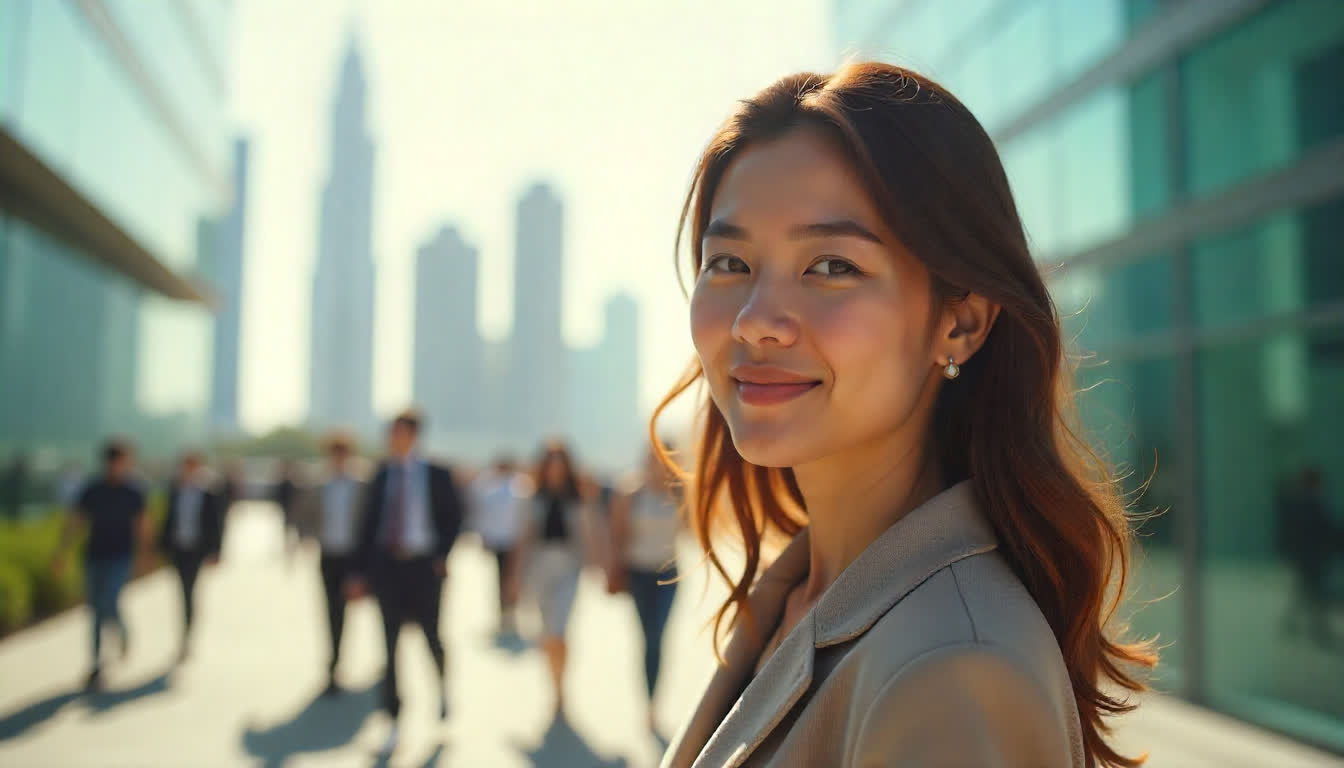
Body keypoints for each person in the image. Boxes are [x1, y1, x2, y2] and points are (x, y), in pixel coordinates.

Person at [656, 62, 1155, 768]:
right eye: (729, 262)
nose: (755, 321)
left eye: (832, 266)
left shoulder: (955, 676)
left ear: (961, 323)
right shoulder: (799, 594)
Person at [347, 410, 464, 756]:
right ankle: (394, 718)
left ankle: (441, 687)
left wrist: (444, 553)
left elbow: (454, 516)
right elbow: (366, 526)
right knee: (389, 643)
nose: (394, 439)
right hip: (388, 568)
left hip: (425, 568)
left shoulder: (437, 474)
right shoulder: (380, 475)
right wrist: (358, 573)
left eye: (400, 433)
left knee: (432, 636)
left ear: (414, 435)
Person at [506, 441, 602, 719]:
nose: (556, 470)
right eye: (551, 463)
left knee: (558, 631)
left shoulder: (578, 496)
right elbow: (522, 539)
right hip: (538, 570)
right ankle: (555, 685)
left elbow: (591, 531)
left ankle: (561, 688)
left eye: (561, 463)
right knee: (548, 635)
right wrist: (514, 577)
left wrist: (599, 565)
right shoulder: (532, 496)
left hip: (568, 569)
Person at [53, 439, 149, 691]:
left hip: (121, 556)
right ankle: (96, 665)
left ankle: (122, 632)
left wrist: (145, 555)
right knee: (95, 610)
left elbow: (141, 525)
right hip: (94, 556)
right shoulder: (93, 489)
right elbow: (75, 522)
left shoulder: (134, 490)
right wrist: (61, 553)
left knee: (109, 601)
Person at [608, 442, 682, 733]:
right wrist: (614, 571)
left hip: (670, 575)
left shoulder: (679, 492)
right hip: (638, 573)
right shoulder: (629, 492)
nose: (657, 464)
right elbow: (617, 534)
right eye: (653, 458)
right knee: (647, 638)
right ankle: (648, 703)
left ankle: (654, 705)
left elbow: (695, 528)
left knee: (658, 637)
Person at [294, 431, 368, 694]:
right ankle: (334, 665)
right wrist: (305, 537)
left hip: (356, 557)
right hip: (329, 555)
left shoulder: (362, 484)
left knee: (367, 608)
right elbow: (302, 515)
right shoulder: (319, 484)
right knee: (333, 612)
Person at [158, 451, 224, 663]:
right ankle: (185, 630)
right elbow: (168, 519)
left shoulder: (208, 492)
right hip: (179, 548)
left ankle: (188, 633)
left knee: (189, 590)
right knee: (182, 590)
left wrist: (216, 551)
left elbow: (216, 523)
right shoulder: (175, 490)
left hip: (196, 549)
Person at [468, 455, 528, 635]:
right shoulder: (490, 485)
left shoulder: (519, 486)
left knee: (512, 577)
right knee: (500, 579)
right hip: (498, 540)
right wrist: (484, 536)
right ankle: (504, 614)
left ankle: (511, 612)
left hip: (514, 540)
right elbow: (483, 513)